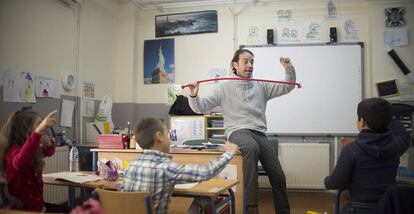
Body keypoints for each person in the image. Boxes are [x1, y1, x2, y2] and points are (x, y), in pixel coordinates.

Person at [187, 49, 296, 214]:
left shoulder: (261, 85)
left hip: (259, 133)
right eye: (245, 61)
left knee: (278, 176)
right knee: (251, 148)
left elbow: (288, 87)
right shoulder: (223, 88)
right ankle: (251, 209)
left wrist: (289, 68)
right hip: (237, 131)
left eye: (252, 61)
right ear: (235, 65)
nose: (250, 65)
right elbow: (199, 107)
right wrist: (194, 95)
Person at [120, 118, 238, 214]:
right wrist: (228, 154)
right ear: (159, 136)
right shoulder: (166, 168)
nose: (170, 140)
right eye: (168, 135)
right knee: (199, 203)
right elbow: (205, 172)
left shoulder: (130, 167)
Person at [324, 98, 411, 214]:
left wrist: (327, 180)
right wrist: (388, 117)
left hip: (358, 209)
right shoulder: (395, 146)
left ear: (362, 122)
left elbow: (334, 183)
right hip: (388, 208)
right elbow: (404, 136)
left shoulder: (351, 150)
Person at [0, 109, 57, 211]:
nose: (43, 130)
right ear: (25, 130)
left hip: (36, 207)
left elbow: (49, 152)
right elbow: (21, 162)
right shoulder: (13, 152)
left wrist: (49, 145)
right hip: (21, 210)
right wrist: (37, 132)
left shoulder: (33, 149)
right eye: (39, 126)